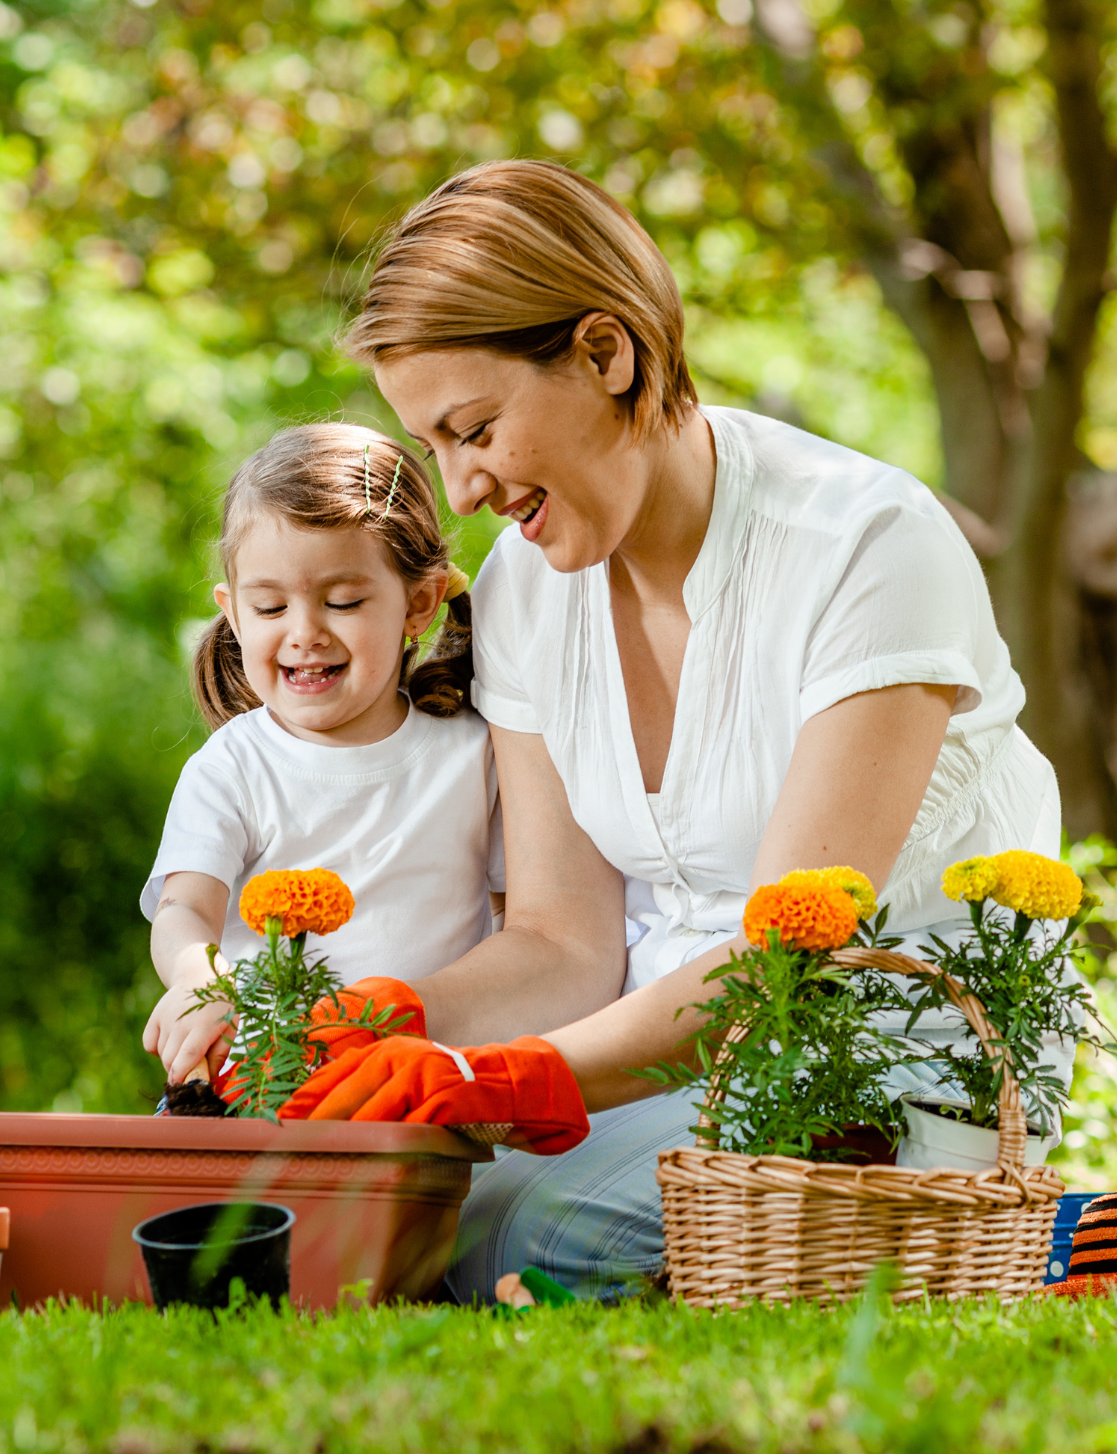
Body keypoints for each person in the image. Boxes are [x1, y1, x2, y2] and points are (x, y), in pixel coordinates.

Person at [280, 159, 1069, 1302]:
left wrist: (513, 1080)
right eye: (436, 447)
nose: (461, 489)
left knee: (522, 1238)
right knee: (364, 1210)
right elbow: (563, 939)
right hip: (639, 1080)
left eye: (479, 429)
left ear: (608, 353)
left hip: (880, 1083)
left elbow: (787, 959)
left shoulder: (864, 544)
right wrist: (395, 1022)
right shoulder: (524, 591)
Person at [140, 422, 505, 1085]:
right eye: (270, 605)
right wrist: (202, 980)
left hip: (425, 1088)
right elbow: (184, 909)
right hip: (265, 1085)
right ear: (234, 612)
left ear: (417, 603)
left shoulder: (472, 754)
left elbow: (518, 927)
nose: (303, 632)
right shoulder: (234, 767)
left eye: (342, 601)